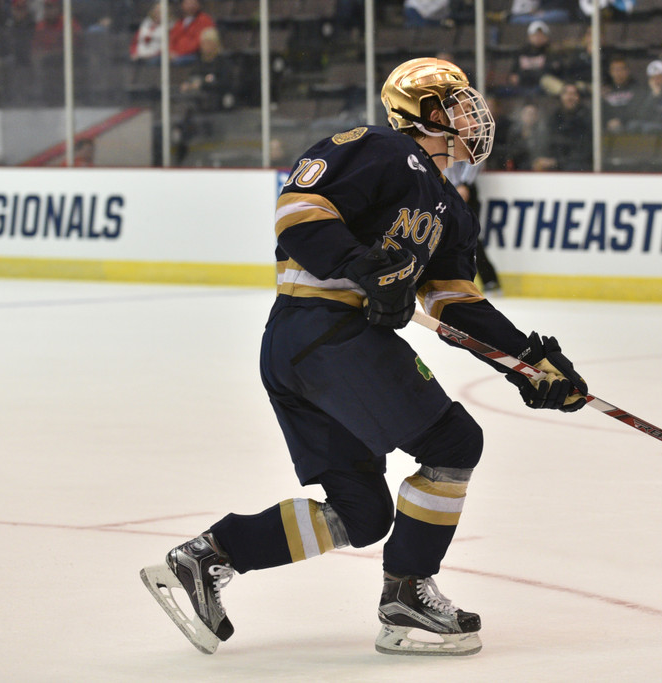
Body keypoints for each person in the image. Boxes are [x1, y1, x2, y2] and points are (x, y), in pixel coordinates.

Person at [140, 57, 588, 658]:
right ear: (424, 113)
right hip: (323, 332)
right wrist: (358, 265)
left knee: (364, 511)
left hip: (314, 348)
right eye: (454, 103)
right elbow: (297, 210)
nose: (470, 115)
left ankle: (208, 558)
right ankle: (406, 595)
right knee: (453, 443)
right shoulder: (378, 148)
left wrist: (528, 362)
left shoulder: (453, 211)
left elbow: (455, 305)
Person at [442, 160, 502, 293]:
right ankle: (450, 280)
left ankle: (489, 280)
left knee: (469, 236)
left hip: (463, 189)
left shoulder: (465, 140)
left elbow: (476, 159)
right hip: (446, 186)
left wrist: (464, 183)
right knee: (447, 236)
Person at [610, 59, 662, 133]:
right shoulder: (643, 93)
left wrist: (659, 96)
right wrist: (654, 96)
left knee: (649, 127)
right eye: (654, 77)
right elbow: (641, 115)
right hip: (649, 128)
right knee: (634, 125)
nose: (657, 80)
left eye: (660, 76)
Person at [535, 82, 592, 170]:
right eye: (566, 94)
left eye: (573, 94)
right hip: (556, 165)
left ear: (579, 98)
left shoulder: (587, 117)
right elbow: (546, 142)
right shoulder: (554, 117)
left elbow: (584, 152)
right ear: (561, 97)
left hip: (577, 166)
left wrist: (556, 162)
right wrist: (544, 159)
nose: (570, 98)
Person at [507, 20, 563, 97]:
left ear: (546, 37)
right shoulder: (521, 52)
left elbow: (548, 74)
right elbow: (514, 76)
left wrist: (524, 75)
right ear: (529, 37)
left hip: (541, 89)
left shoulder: (551, 53)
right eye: (535, 35)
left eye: (541, 35)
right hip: (522, 87)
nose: (537, 38)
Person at [169, 0, 216, 65]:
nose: (190, 6)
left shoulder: (205, 20)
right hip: (177, 55)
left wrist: (179, 54)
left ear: (198, 4)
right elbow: (172, 40)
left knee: (178, 62)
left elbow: (200, 42)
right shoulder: (179, 23)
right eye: (187, 3)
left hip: (194, 55)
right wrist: (171, 52)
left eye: (193, 3)